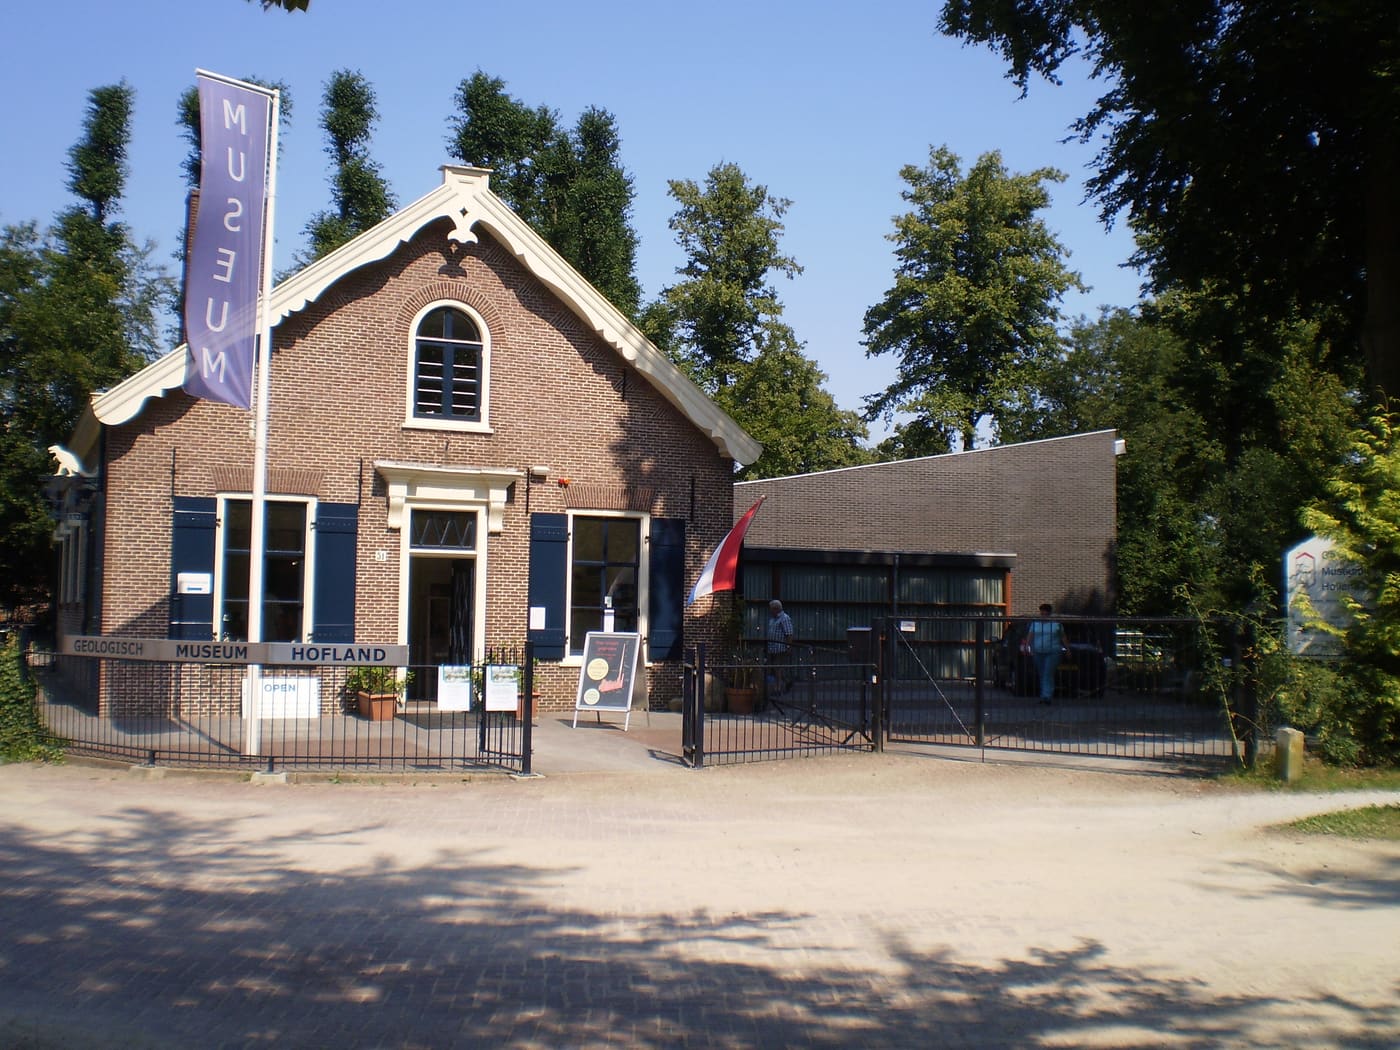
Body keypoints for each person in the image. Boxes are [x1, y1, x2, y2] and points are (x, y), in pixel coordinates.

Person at [1024, 603, 1066, 704]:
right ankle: (1045, 695)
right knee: (1042, 673)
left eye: (1045, 612)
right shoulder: (1035, 624)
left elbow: (1063, 637)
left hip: (1053, 652)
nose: (1043, 614)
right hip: (1038, 652)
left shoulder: (1056, 625)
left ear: (1049, 613)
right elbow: (1030, 636)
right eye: (1042, 612)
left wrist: (1067, 649)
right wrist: (1027, 646)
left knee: (1047, 673)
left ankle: (1046, 696)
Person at [765, 599, 794, 697]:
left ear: (775, 609)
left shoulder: (784, 618)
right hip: (772, 648)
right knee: (776, 668)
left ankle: (778, 688)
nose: (770, 611)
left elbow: (789, 634)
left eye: (771, 609)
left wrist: (789, 647)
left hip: (780, 647)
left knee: (778, 668)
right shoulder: (773, 619)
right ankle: (786, 681)